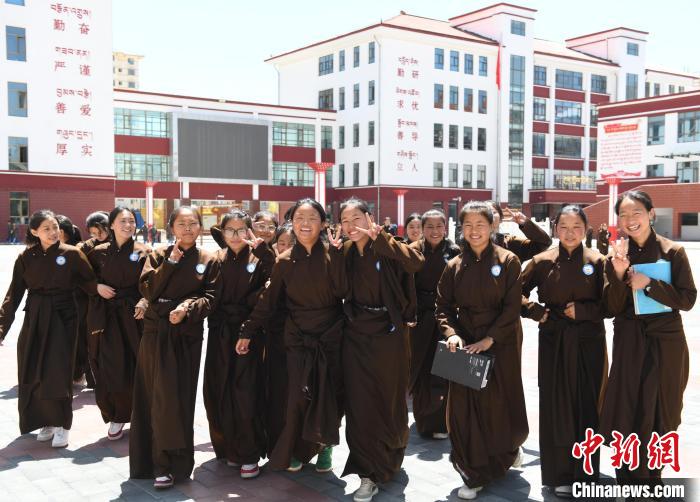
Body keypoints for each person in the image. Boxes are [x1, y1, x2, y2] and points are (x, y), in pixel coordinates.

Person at [238, 198, 346, 475]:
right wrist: (248, 330)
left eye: (312, 218)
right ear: (291, 223)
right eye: (299, 218)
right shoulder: (284, 260)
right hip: (298, 337)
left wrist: (337, 259)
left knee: (329, 394)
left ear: (323, 223)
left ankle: (325, 446)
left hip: (330, 335)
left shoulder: (335, 254)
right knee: (298, 396)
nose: (305, 224)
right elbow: (268, 301)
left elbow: (344, 292)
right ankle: (298, 449)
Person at [601, 191, 696, 488]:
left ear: (651, 214)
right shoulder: (616, 256)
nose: (630, 220)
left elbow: (688, 299)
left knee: (661, 408)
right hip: (629, 342)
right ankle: (628, 480)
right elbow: (611, 307)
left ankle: (652, 479)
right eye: (624, 215)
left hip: (666, 343)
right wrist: (619, 275)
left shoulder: (672, 252)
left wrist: (650, 285)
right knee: (627, 408)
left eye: (637, 213)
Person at [436, 201, 528, 500]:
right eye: (468, 225)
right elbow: (443, 306)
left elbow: (512, 307)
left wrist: (490, 339)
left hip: (501, 342)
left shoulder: (508, 260)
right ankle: (472, 471)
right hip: (466, 344)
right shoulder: (454, 265)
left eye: (480, 224)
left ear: (492, 226)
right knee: (463, 410)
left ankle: (506, 452)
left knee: (498, 405)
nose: (474, 231)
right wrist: (452, 334)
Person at [129, 207, 220, 489]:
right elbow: (148, 290)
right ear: (171, 228)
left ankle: (176, 464)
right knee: (152, 395)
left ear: (201, 227)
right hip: (155, 333)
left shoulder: (208, 259)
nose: (188, 228)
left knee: (179, 398)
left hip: (186, 335)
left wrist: (187, 309)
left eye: (193, 223)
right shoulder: (157, 255)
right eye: (182, 223)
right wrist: (170, 263)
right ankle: (155, 463)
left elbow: (211, 297)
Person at [339, 197, 423, 502]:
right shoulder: (345, 251)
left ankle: (391, 454)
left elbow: (416, 263)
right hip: (355, 333)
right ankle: (368, 472)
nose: (351, 226)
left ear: (369, 218)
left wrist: (383, 240)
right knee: (359, 403)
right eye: (345, 221)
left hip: (389, 334)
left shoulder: (388, 244)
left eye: (356, 218)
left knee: (389, 399)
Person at [521, 205, 608, 497]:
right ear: (555, 229)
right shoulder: (541, 261)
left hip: (589, 341)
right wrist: (534, 311)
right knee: (554, 404)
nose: (570, 233)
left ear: (586, 229)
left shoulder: (598, 261)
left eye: (576, 227)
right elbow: (513, 292)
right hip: (554, 340)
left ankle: (585, 473)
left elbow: (613, 303)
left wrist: (584, 311)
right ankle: (558, 474)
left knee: (587, 403)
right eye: (564, 227)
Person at [0, 210, 97, 448]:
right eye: (47, 229)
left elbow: (89, 282)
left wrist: (101, 295)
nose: (53, 232)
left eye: (55, 227)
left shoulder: (71, 254)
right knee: (33, 369)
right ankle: (47, 421)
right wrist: (1, 328)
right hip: (35, 318)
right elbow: (14, 295)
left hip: (64, 318)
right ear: (34, 232)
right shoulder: (26, 257)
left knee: (59, 371)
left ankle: (63, 424)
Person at [204, 210, 274, 479]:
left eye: (241, 230)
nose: (235, 236)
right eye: (230, 230)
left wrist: (249, 329)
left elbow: (276, 285)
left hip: (250, 333)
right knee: (219, 389)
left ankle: (249, 453)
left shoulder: (260, 257)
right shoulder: (214, 259)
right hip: (220, 333)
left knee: (246, 392)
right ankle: (229, 448)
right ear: (222, 233)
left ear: (249, 231)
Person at [86, 207, 149, 441]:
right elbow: (82, 279)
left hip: (135, 316)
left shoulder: (144, 251)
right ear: (111, 224)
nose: (128, 225)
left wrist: (144, 301)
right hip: (107, 317)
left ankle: (143, 414)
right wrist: (96, 287)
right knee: (111, 366)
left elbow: (152, 282)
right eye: (122, 221)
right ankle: (117, 415)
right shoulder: (97, 253)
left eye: (131, 221)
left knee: (139, 364)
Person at [408, 209, 460, 440]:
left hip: (446, 317)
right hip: (420, 318)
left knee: (444, 370)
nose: (435, 231)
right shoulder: (414, 250)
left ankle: (442, 422)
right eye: (429, 226)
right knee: (420, 369)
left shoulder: (455, 251)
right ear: (422, 228)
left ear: (445, 228)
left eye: (439, 226)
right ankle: (423, 421)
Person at [264, 222, 295, 456]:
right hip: (274, 338)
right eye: (280, 243)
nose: (284, 248)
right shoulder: (271, 266)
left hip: (300, 338)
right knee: (276, 390)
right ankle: (278, 444)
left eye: (290, 243)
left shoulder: (310, 267)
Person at [74, 211, 111, 388]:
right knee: (91, 340)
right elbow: (77, 274)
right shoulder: (86, 248)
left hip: (115, 298)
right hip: (91, 299)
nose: (98, 236)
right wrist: (94, 286)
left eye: (101, 231)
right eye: (93, 233)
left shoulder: (119, 243)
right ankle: (93, 379)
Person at [486, 201, 552, 261]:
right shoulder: (478, 246)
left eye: (493, 212)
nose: (490, 216)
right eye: (486, 213)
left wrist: (526, 224)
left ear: (501, 219)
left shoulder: (511, 244)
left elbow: (544, 243)